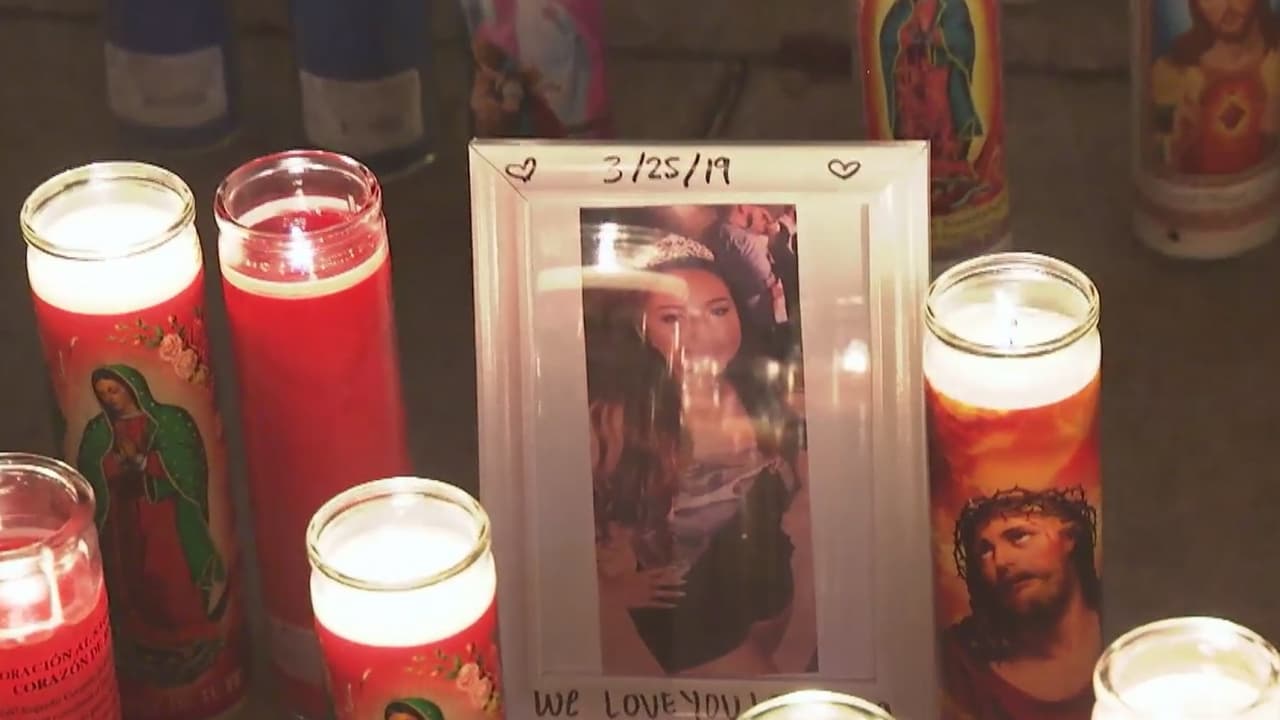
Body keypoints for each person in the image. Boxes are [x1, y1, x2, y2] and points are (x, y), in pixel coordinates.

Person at [585, 234, 816, 678]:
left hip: (761, 586)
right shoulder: (620, 419)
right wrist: (608, 590)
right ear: (640, 328)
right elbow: (550, 521)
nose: (701, 333)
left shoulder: (764, 390)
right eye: (672, 318)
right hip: (682, 605)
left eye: (718, 311)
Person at [76, 365, 227, 655]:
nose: (109, 399)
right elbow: (88, 471)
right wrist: (113, 463)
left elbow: (186, 464)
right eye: (102, 394)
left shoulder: (169, 420)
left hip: (163, 513)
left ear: (132, 387)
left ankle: (188, 635)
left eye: (114, 390)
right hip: (124, 516)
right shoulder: (99, 430)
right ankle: (144, 640)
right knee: (134, 571)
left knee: (168, 568)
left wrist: (144, 462)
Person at [941, 486, 1101, 720]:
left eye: (1018, 536)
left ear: (1069, 538)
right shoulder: (958, 663)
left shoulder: (1130, 629)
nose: (1001, 561)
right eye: (985, 551)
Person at [877, 0, 1004, 213]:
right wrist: (903, 37)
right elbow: (888, 36)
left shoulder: (953, 6)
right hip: (913, 82)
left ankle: (949, 167)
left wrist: (941, 38)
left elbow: (964, 38)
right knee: (914, 124)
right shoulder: (903, 7)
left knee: (945, 124)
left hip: (942, 81)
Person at [1151, 0, 1280, 175]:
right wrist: (1177, 144)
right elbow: (1158, 156)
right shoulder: (1172, 73)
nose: (1227, 6)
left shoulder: (1275, 60)